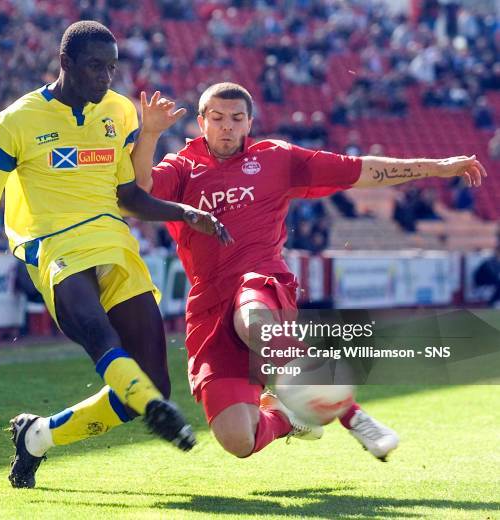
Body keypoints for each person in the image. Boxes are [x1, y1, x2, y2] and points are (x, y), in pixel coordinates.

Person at [0, 21, 232, 489]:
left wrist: (183, 212)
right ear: (64, 63)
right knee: (96, 331)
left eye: (111, 68)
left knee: (151, 386)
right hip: (52, 245)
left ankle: (38, 437)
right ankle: (149, 407)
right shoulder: (13, 123)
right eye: (94, 67)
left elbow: (127, 194)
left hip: (113, 241)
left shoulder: (119, 111)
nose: (105, 78)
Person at [133, 82, 487, 460]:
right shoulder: (182, 167)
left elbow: (358, 170)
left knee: (254, 320)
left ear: (249, 122)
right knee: (238, 440)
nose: (227, 127)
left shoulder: (276, 158)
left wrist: (437, 168)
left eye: (237, 119)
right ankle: (288, 417)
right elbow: (138, 195)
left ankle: (353, 416)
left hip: (260, 280)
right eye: (217, 119)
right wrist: (150, 132)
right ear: (201, 123)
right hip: (207, 303)